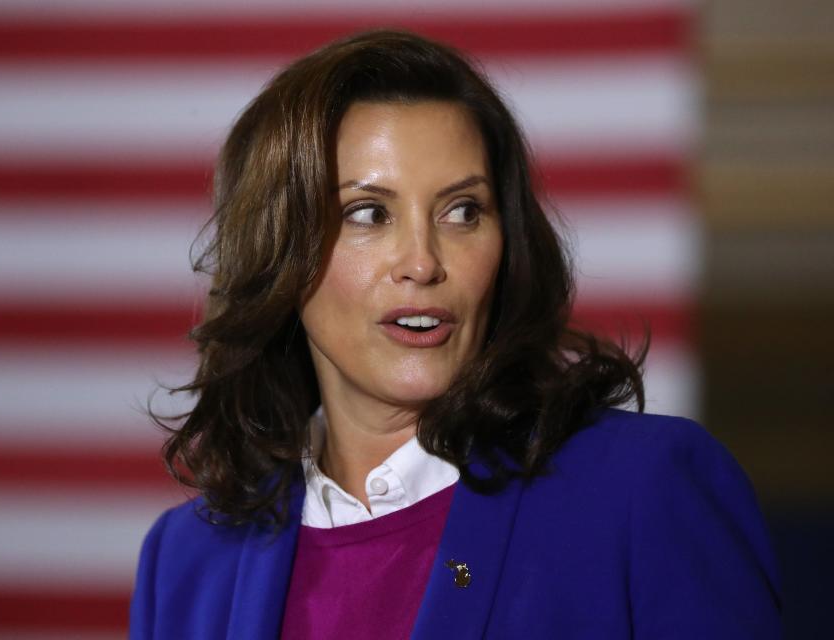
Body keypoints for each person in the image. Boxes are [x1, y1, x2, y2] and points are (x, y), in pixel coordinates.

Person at [130, 29, 782, 639]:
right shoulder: (187, 561)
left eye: (463, 211)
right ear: (278, 253)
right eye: (367, 213)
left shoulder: (642, 490)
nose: (423, 261)